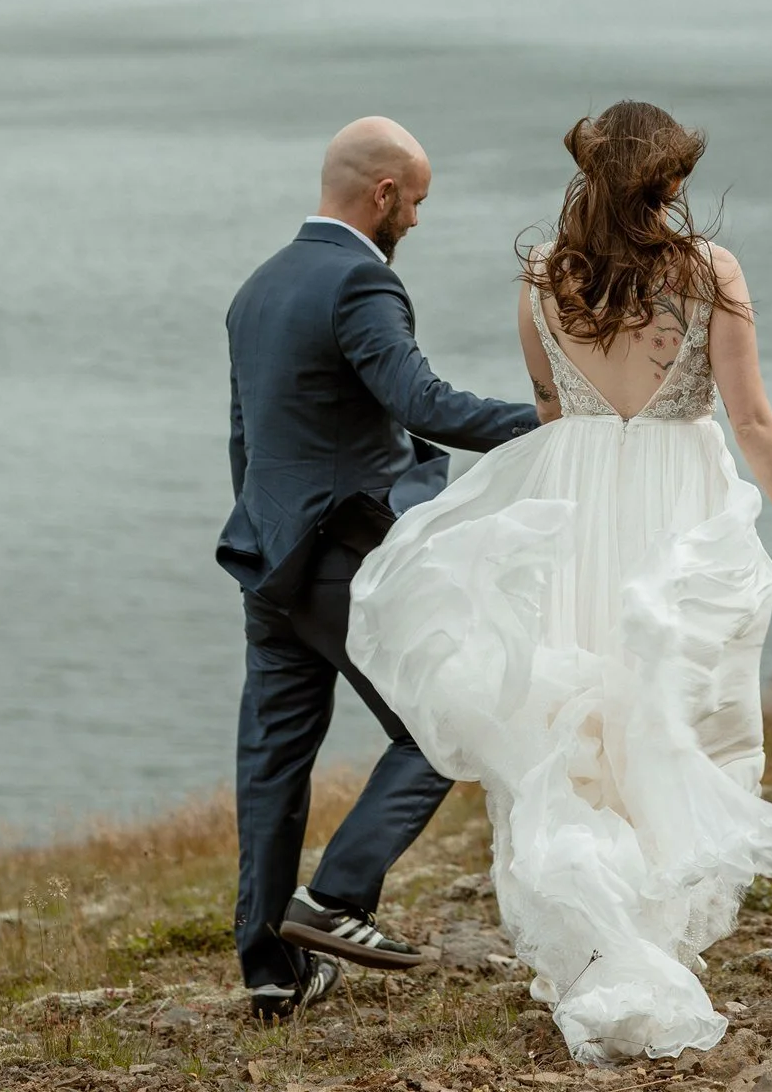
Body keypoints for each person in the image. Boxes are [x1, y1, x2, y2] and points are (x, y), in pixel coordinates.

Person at [347, 100, 772, 1065]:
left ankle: (598, 940)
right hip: (674, 492)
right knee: (671, 711)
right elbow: (751, 419)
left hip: (576, 497)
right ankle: (649, 938)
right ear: (667, 181)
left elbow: (543, 402)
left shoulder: (542, 278)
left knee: (576, 723)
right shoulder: (709, 273)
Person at [217, 117, 536, 1021]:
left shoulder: (258, 287)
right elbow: (419, 400)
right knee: (444, 724)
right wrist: (553, 422)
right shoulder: (361, 279)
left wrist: (267, 538)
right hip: (340, 561)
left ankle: (272, 969)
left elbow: (246, 438)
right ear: (384, 193)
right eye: (419, 202)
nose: (419, 223)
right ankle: (338, 897)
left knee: (272, 764)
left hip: (267, 558)